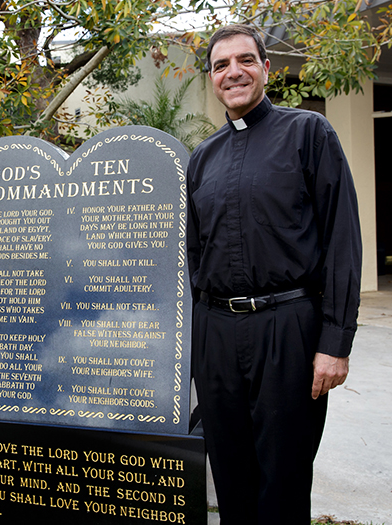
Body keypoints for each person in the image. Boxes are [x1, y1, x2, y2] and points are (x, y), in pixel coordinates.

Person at [187, 24, 362, 522]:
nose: (233, 72)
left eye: (245, 61)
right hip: (218, 335)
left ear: (266, 69)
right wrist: (203, 340)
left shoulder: (309, 133)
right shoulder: (202, 159)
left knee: (282, 480)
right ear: (212, 79)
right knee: (230, 473)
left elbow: (342, 240)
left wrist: (334, 342)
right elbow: (196, 254)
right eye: (221, 65)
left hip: (288, 329)